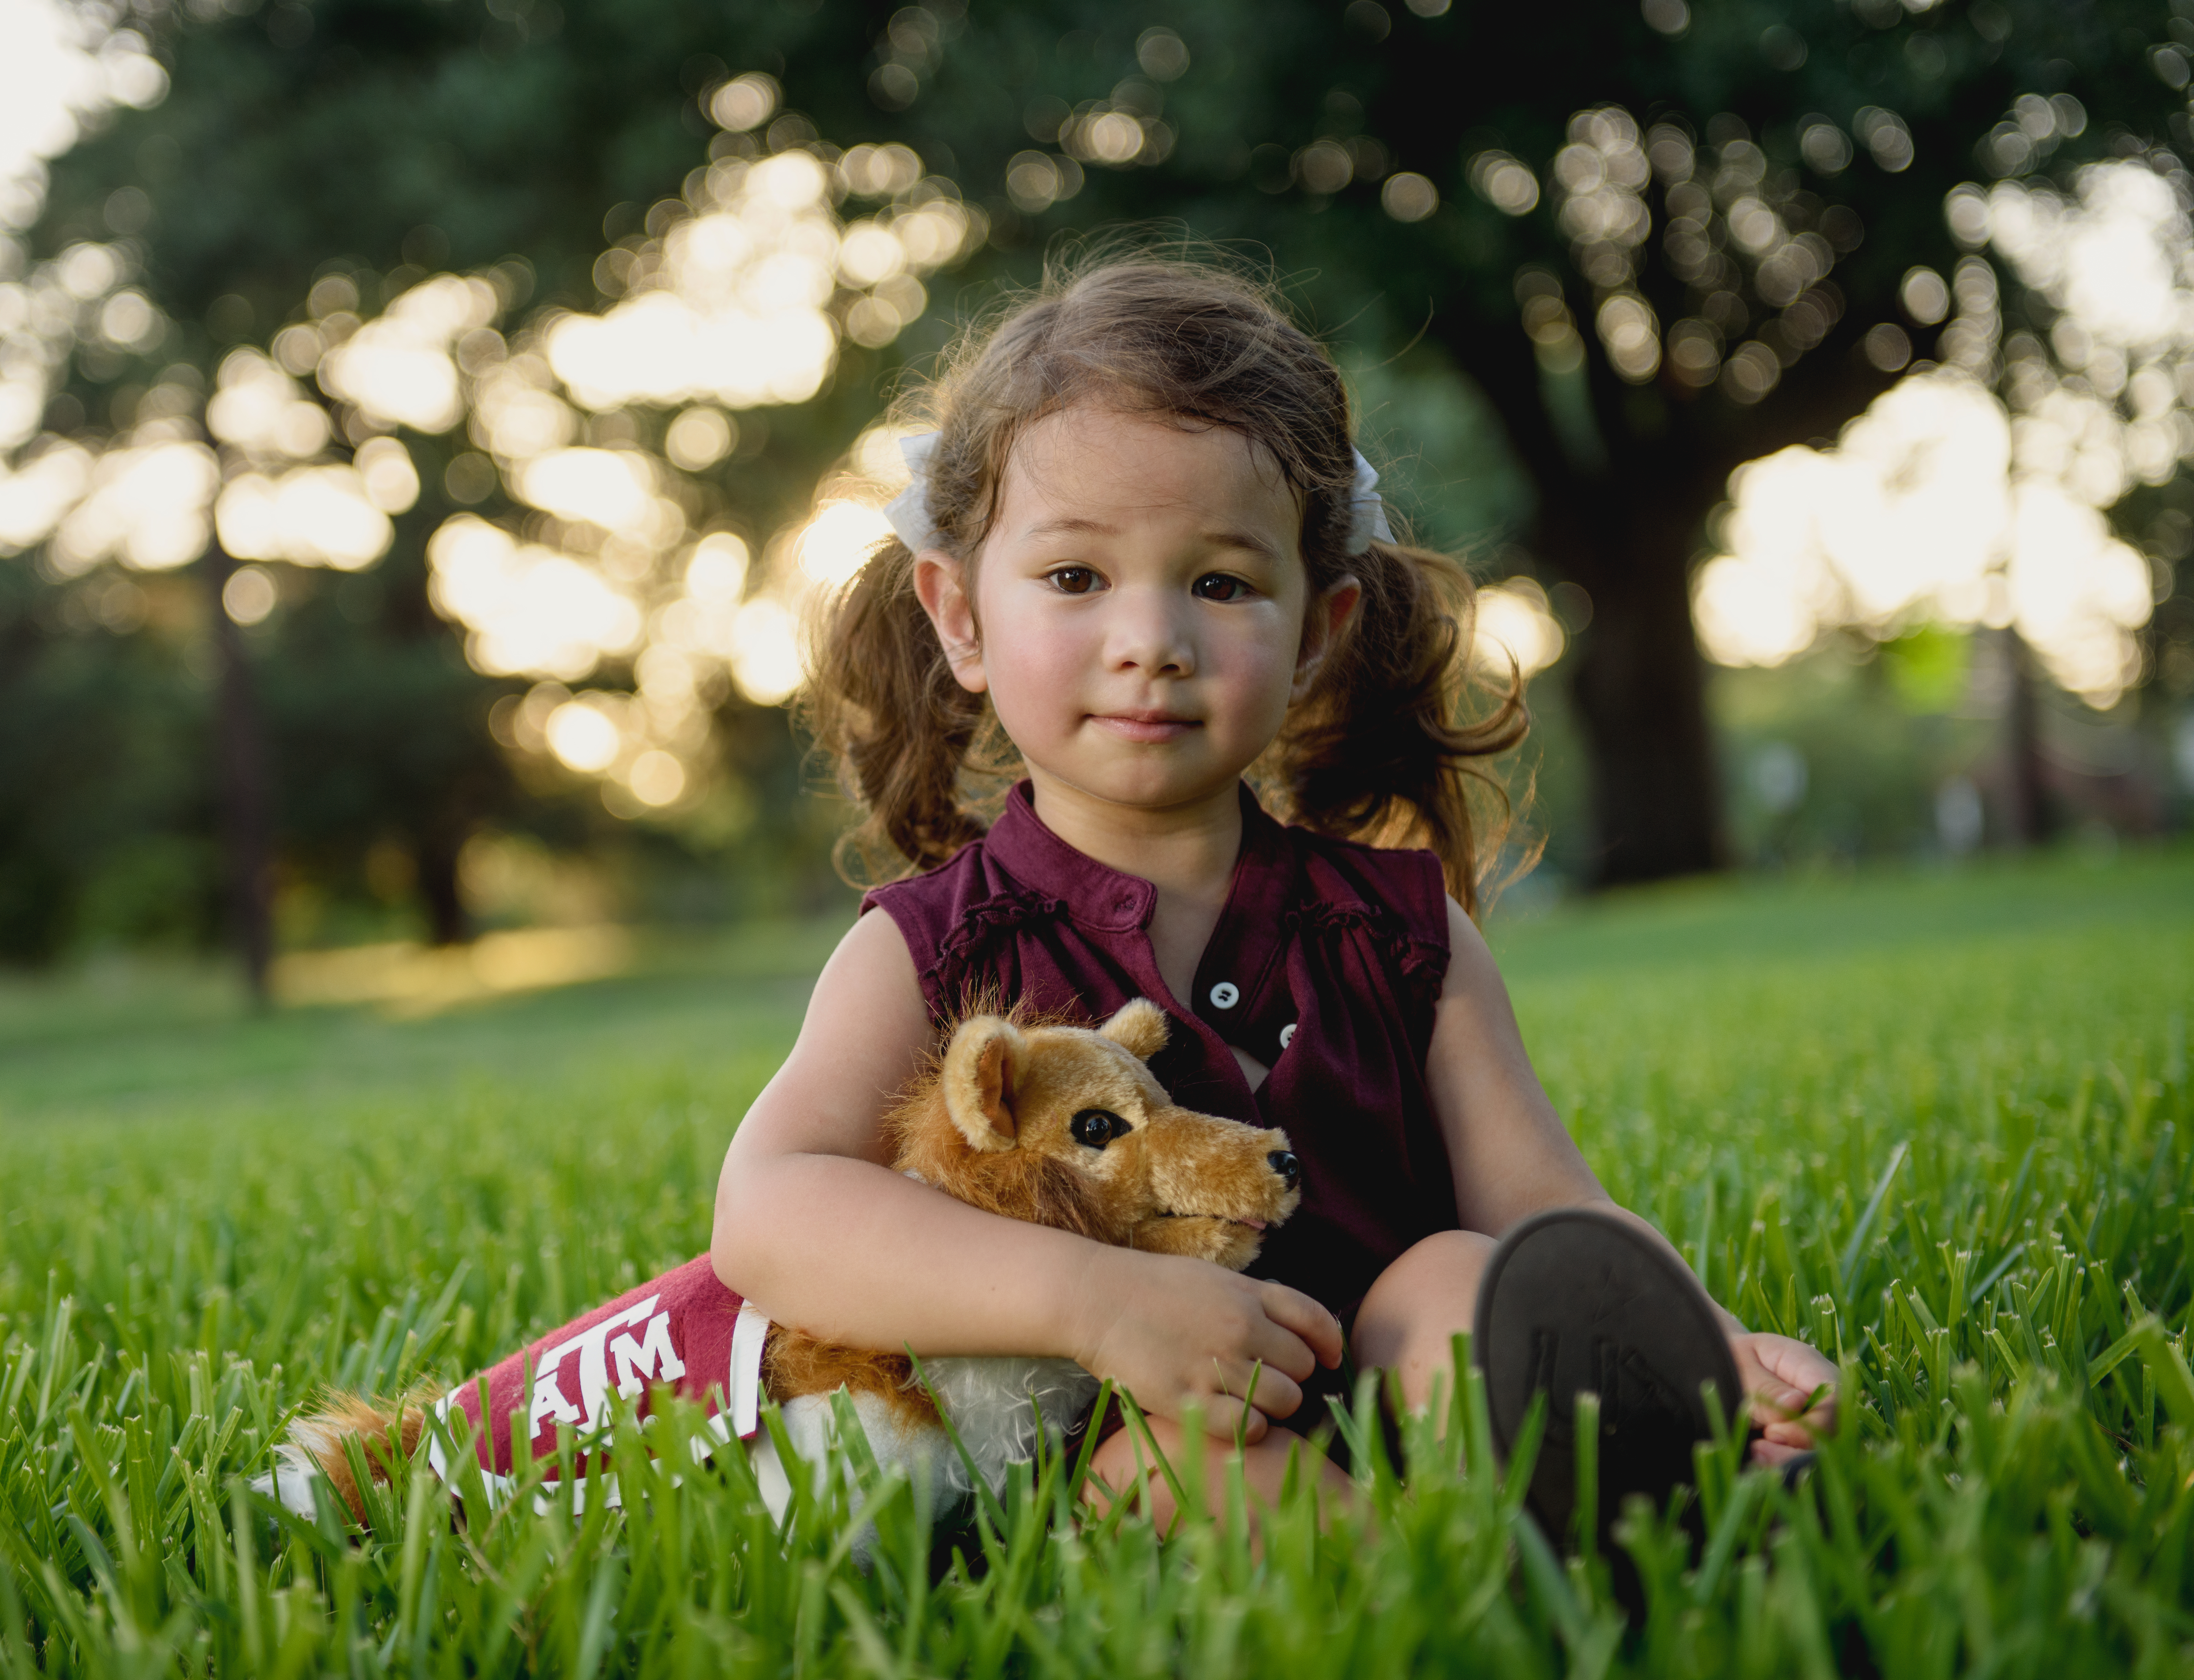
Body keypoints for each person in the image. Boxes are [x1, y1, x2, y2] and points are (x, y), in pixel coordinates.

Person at [709, 254, 1836, 1530]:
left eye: (1221, 583)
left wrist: (1703, 1336)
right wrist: (1097, 1303)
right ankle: (1444, 1608)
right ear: (959, 616)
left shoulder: (1405, 931)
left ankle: (1626, 1489)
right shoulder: (932, 948)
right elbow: (770, 1205)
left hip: (1390, 1368)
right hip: (1138, 1419)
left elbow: (1545, 1209)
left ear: (1316, 630)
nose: (1152, 639)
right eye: (1076, 579)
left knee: (1462, 1277)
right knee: (1175, 1454)